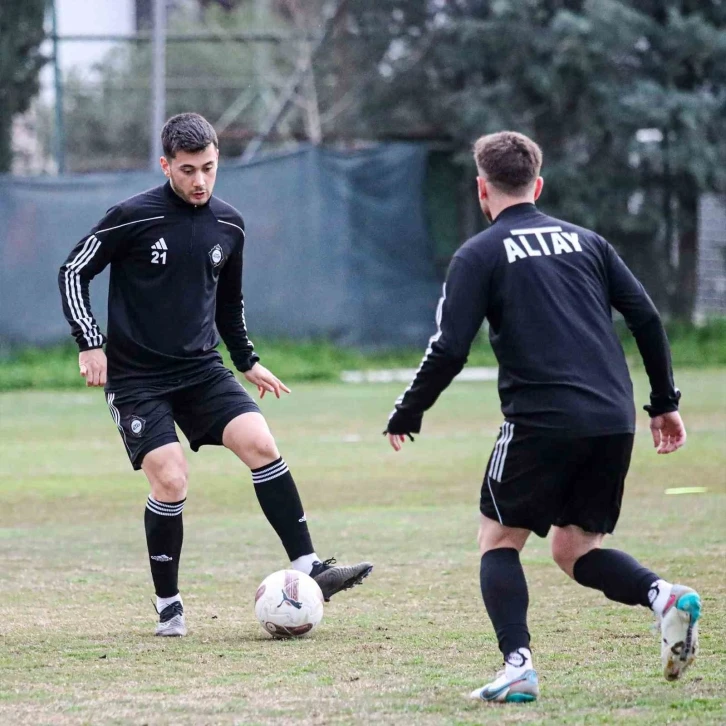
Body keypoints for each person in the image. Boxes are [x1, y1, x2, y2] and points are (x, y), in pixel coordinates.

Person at [383, 131, 700, 703]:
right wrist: (665, 403)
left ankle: (518, 665)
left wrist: (410, 410)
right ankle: (664, 598)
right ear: (539, 183)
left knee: (498, 540)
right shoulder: (588, 242)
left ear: (482, 189)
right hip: (610, 417)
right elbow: (647, 318)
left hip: (540, 420)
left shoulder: (478, 254)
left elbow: (449, 347)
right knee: (572, 550)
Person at [59, 112, 372, 637]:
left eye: (207, 167)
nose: (199, 180)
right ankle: (169, 605)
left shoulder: (229, 224)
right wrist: (91, 342)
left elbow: (230, 303)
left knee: (261, 443)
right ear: (166, 166)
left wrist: (247, 360)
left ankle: (309, 567)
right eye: (186, 170)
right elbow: (74, 270)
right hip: (138, 380)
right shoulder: (130, 217)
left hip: (202, 370)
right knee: (172, 477)